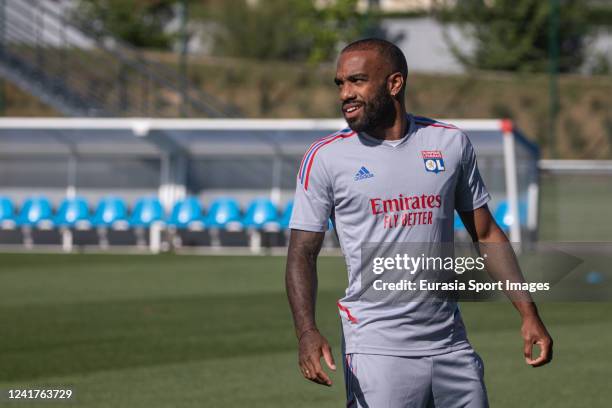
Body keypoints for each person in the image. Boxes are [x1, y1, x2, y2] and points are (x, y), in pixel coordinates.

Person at [285, 38, 553, 408]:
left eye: (357, 81)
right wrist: (307, 331)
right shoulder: (326, 158)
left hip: (451, 344)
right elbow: (302, 253)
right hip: (377, 351)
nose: (346, 93)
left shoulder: (449, 143)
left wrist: (528, 312)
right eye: (340, 84)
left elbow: (486, 233)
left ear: (394, 84)